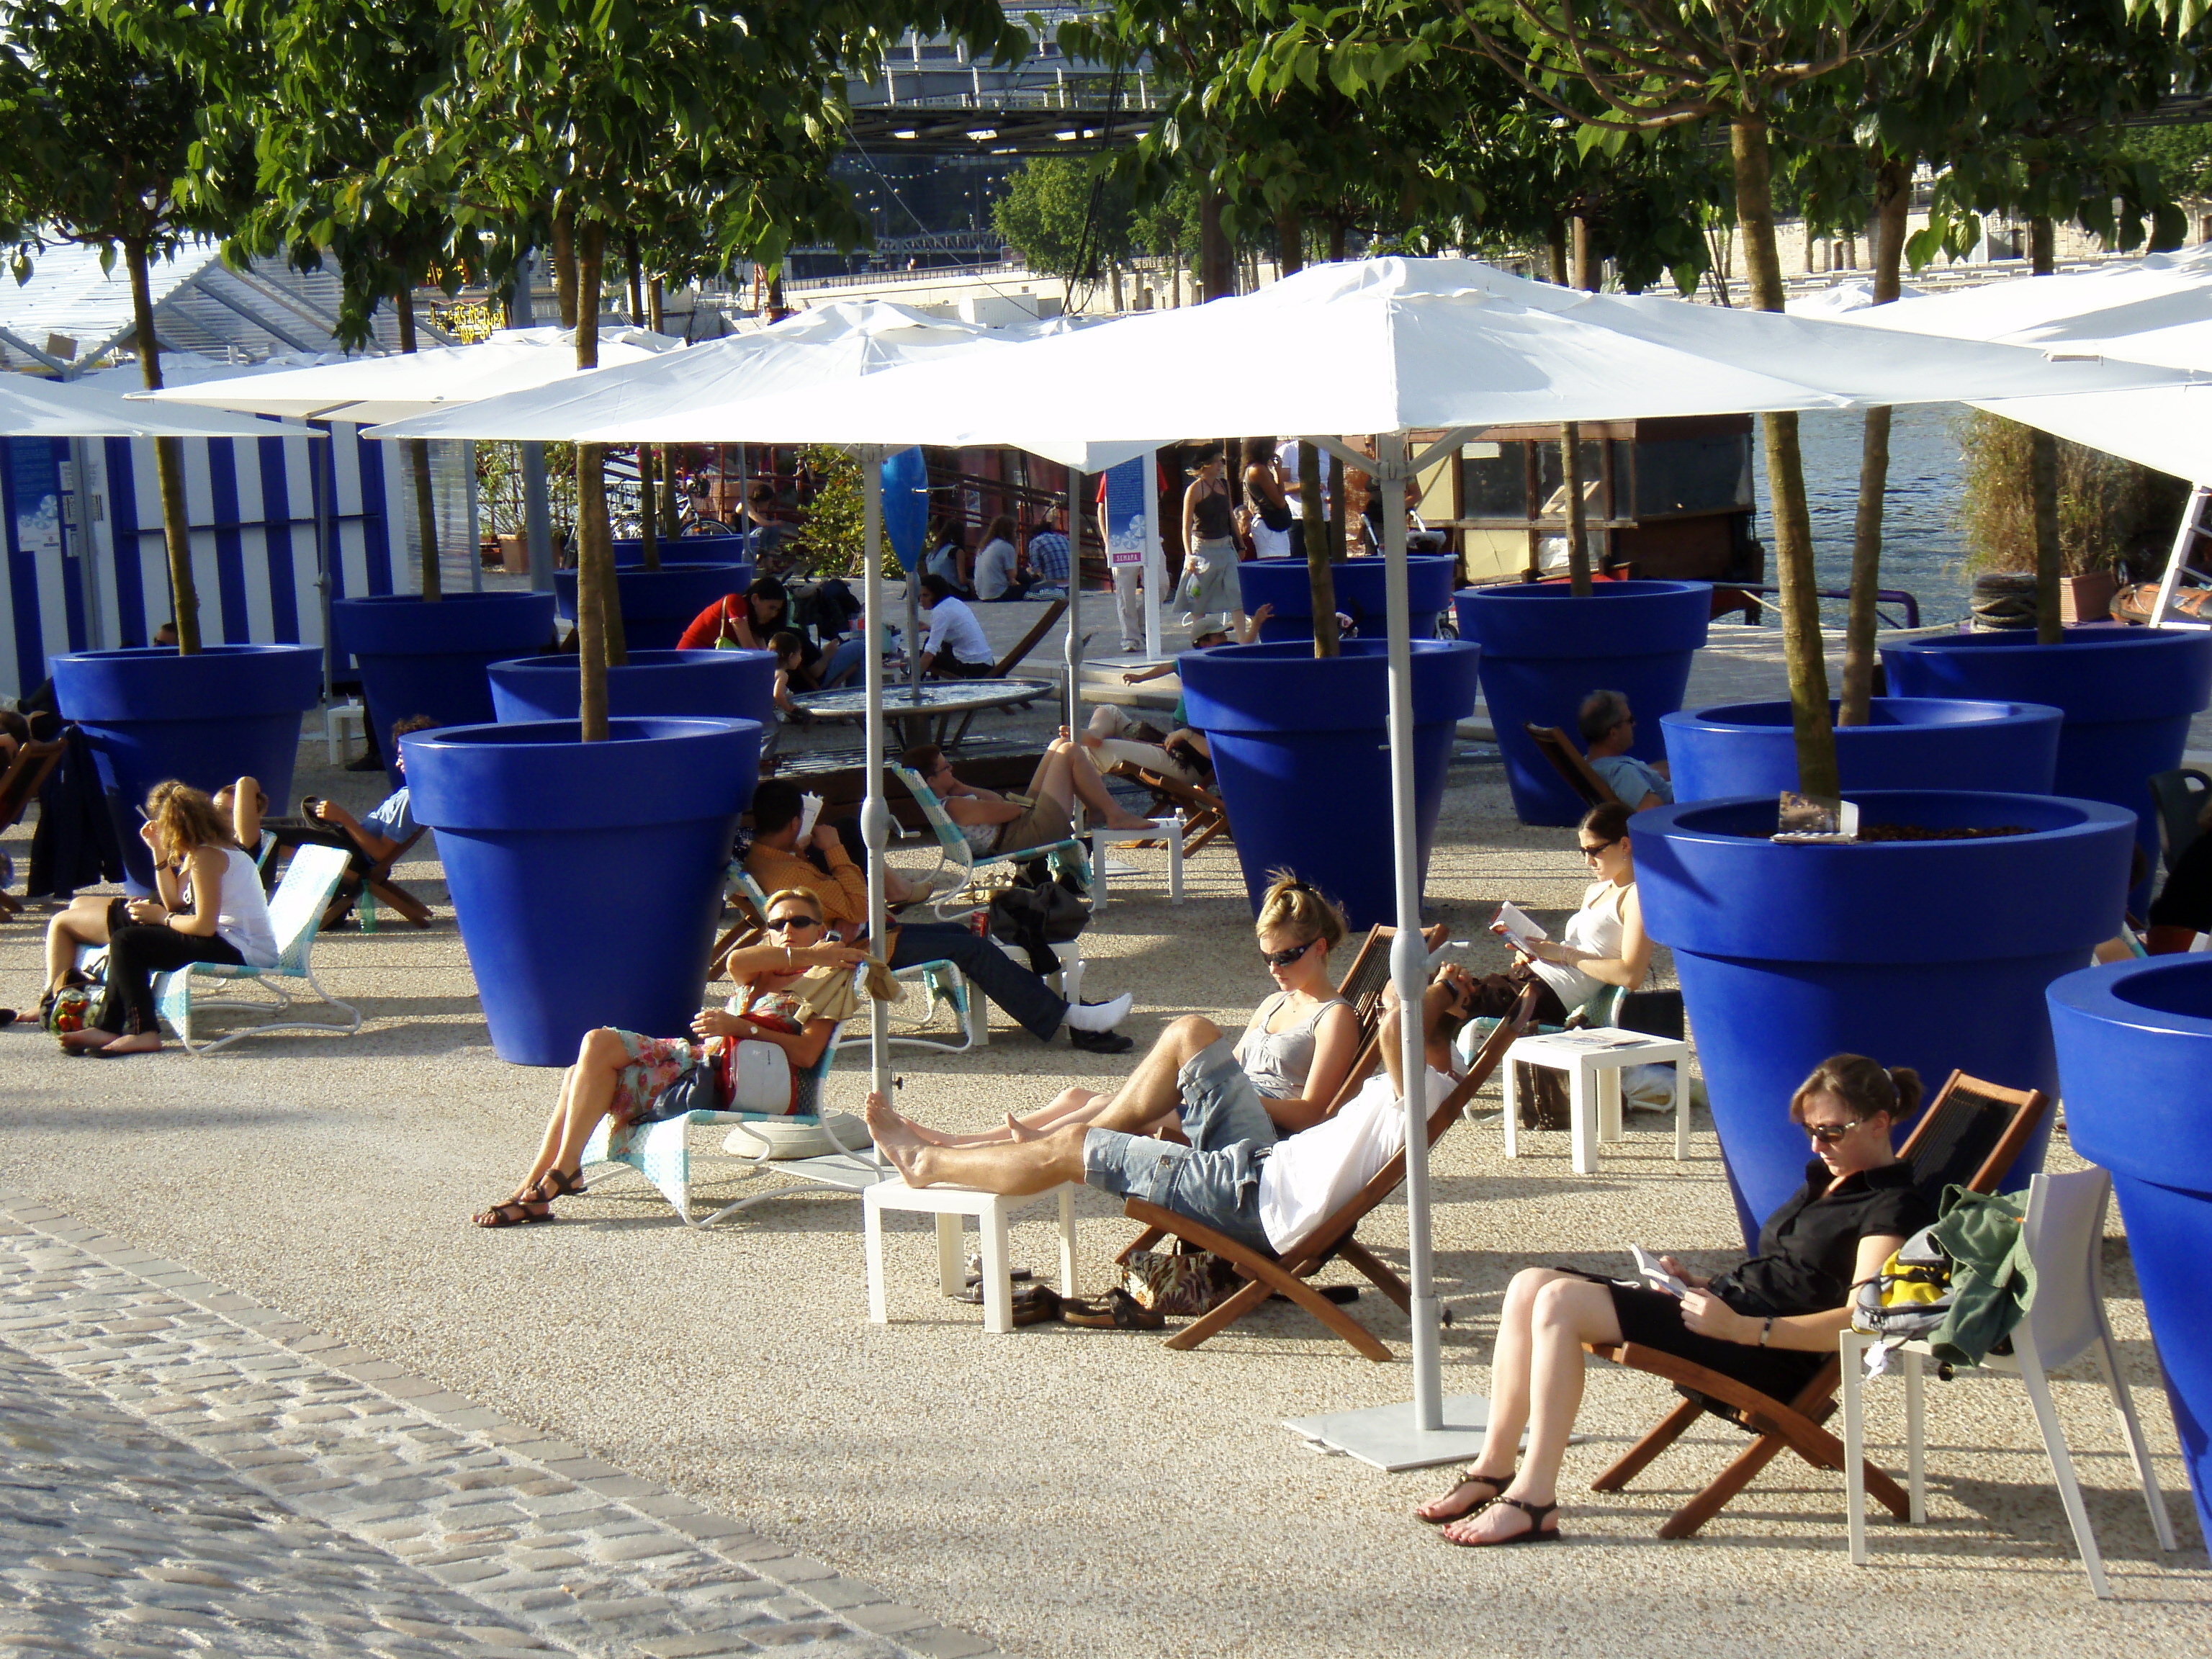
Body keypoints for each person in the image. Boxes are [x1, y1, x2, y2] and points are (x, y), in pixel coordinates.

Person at [1416, 1054, 1934, 1545]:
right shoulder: (1831, 1180)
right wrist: (1703, 1287)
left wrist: (1743, 1329)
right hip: (1727, 1319)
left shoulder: (1891, 1206)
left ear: (1880, 1123)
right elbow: (1790, 1275)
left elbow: (1862, 1322)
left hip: (1769, 1354)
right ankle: (1493, 1467)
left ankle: (1535, 1501)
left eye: (1831, 1131)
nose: (1817, 1144)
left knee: (1559, 1304)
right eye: (1810, 1130)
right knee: (1529, 1283)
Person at [863, 963, 1481, 1263]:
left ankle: (931, 1160)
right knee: (1190, 1030)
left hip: (1251, 1200)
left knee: (1069, 1148)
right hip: (1259, 1166)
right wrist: (1445, 1003)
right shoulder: (1438, 1076)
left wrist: (1444, 990)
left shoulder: (1422, 1091)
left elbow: (1401, 1020)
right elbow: (1415, 1030)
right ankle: (1084, 1134)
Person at [472, 887, 877, 1227]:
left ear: (821, 928)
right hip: (695, 1064)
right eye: (777, 924)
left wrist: (744, 1028)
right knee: (583, 1066)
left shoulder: (829, 983)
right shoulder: (761, 971)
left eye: (800, 922)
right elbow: (736, 960)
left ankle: (559, 1174)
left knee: (598, 1043)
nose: (788, 930)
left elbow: (807, 1055)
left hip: (727, 1081)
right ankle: (543, 1181)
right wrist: (814, 954)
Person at [903, 871, 1362, 1150]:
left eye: (1286, 957)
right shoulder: (1274, 1002)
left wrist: (1217, 1094)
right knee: (1078, 1097)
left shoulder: (1334, 1017)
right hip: (1226, 1103)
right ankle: (964, 1142)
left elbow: (1312, 1115)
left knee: (1111, 1105)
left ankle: (1032, 1146)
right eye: (1268, 958)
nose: (1275, 968)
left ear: (1319, 948)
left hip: (1254, 1130)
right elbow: (1235, 1066)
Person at [742, 780, 1136, 1054]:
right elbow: (862, 907)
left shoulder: (767, 858)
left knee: (957, 933)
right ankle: (1071, 1018)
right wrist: (833, 851)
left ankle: (1058, 1004)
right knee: (970, 948)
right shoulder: (790, 872)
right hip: (862, 950)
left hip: (858, 937)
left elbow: (842, 908)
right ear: (797, 822)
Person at [50, 782, 280, 1056]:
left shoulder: (206, 856)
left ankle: (142, 1032)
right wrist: (158, 856)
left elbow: (204, 927)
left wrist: (163, 918)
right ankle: (110, 1027)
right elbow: (177, 902)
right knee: (129, 940)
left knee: (128, 940)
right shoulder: (214, 848)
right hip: (233, 940)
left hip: (242, 949)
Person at [1475, 801, 1650, 1025]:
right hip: (1528, 981)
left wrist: (1564, 954)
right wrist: (1538, 952)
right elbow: (1578, 948)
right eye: (1583, 852)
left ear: (1625, 845)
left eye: (1595, 851)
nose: (1588, 861)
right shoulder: (1595, 890)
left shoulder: (1636, 896)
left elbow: (1631, 976)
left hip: (1543, 995)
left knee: (1443, 1002)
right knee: (1439, 990)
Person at [1077, 608, 1269, 783]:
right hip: (1185, 724)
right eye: (1219, 636)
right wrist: (1140, 677)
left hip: (1195, 738)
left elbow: (1245, 646)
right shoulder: (1193, 662)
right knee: (1111, 712)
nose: (1225, 639)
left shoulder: (1226, 660)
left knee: (1091, 750)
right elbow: (1165, 668)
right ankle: (1096, 736)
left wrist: (1257, 623)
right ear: (1203, 642)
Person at [904, 739, 1154, 860]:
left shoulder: (948, 801)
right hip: (1026, 835)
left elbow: (997, 802)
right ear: (932, 781)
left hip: (1017, 830)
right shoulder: (956, 806)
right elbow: (1009, 810)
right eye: (945, 768)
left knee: (1057, 745)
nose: (952, 770)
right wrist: (1015, 805)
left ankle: (1101, 810)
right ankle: (1113, 813)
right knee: (1070, 752)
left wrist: (959, 786)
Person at [1179, 445, 1244, 631]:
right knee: (1199, 596)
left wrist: (1240, 543)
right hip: (1203, 548)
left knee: (1236, 591)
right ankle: (1200, 636)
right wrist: (1189, 556)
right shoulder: (1194, 489)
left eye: (1220, 461)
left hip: (1225, 545)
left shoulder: (1224, 485)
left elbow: (1231, 514)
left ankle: (1243, 640)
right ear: (1206, 464)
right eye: (1216, 461)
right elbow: (1186, 526)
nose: (1220, 465)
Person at [676, 575, 809, 662]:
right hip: (689, 659)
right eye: (771, 608)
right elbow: (751, 650)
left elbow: (763, 654)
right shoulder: (735, 602)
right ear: (755, 599)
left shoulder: (754, 621)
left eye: (777, 610)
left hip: (707, 661)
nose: (774, 615)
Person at [1578, 689, 1672, 809]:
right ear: (1613, 734)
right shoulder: (1622, 772)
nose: (1634, 724)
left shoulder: (1591, 763)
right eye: (1630, 720)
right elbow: (1652, 810)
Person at [915, 572, 994, 679]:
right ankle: (930, 680)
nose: (921, 600)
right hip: (987, 662)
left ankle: (915, 685)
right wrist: (928, 627)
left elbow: (930, 654)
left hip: (973, 668)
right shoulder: (954, 602)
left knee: (919, 655)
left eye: (926, 595)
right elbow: (954, 631)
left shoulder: (940, 612)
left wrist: (911, 680)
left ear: (936, 594)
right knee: (930, 642)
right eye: (920, 595)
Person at [1243, 438, 1297, 559]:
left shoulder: (1258, 468)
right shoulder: (1258, 470)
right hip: (1268, 524)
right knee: (1276, 563)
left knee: (1283, 561)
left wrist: (1278, 471)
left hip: (1271, 523)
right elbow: (1280, 502)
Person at [973, 514, 1033, 603]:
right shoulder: (1006, 547)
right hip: (999, 594)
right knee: (1029, 584)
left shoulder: (983, 547)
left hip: (982, 594)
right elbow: (1012, 576)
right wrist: (1016, 552)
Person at [1025, 515, 1071, 595]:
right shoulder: (1063, 538)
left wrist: (1029, 571)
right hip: (1071, 583)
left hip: (1053, 586)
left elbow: (1037, 572)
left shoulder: (1036, 542)